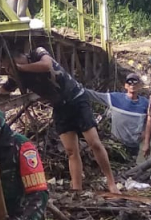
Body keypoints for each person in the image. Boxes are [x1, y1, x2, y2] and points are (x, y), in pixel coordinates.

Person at [13, 46, 118, 194]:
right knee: (70, 150)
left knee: (94, 142)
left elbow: (46, 65)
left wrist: (21, 67)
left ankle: (111, 182)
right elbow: (5, 90)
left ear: (20, 57)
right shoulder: (17, 75)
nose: (8, 67)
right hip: (60, 106)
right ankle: (77, 189)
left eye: (10, 63)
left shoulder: (37, 52)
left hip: (76, 98)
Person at [87, 72, 149, 158]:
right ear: (125, 86)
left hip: (134, 145)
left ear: (139, 86)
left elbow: (150, 119)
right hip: (116, 144)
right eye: (129, 82)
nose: (132, 85)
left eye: (135, 83)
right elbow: (95, 95)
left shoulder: (145, 103)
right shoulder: (115, 98)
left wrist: (145, 132)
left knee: (132, 167)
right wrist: (76, 89)